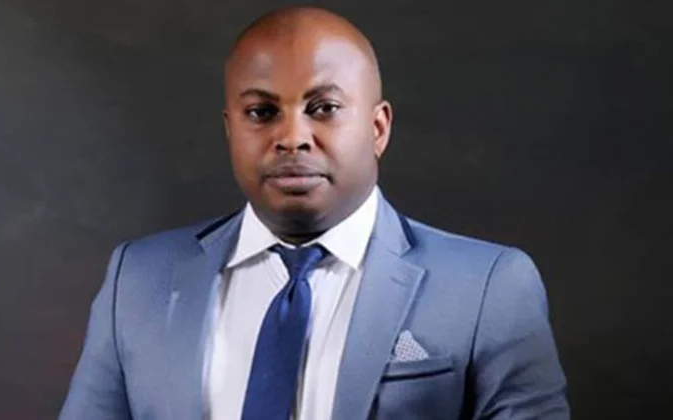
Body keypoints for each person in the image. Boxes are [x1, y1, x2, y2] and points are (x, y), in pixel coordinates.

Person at [60, 6, 569, 420]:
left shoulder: (488, 289)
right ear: (230, 129)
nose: (292, 137)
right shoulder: (138, 280)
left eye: (323, 108)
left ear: (377, 128)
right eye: (261, 112)